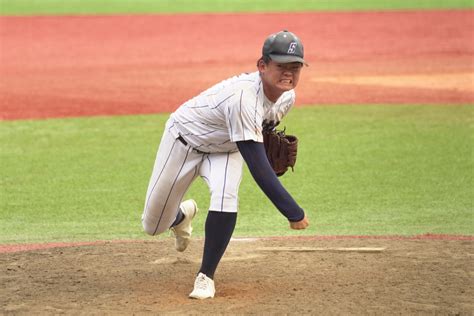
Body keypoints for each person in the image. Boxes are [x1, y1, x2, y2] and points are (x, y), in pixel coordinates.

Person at [141, 30, 310, 300]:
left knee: (225, 196)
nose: (288, 73)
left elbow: (257, 138)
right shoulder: (243, 97)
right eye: (281, 66)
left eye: (295, 67)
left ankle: (205, 276)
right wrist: (293, 211)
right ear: (262, 66)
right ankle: (180, 217)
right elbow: (257, 165)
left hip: (227, 150)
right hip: (183, 140)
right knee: (153, 226)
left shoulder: (288, 97)